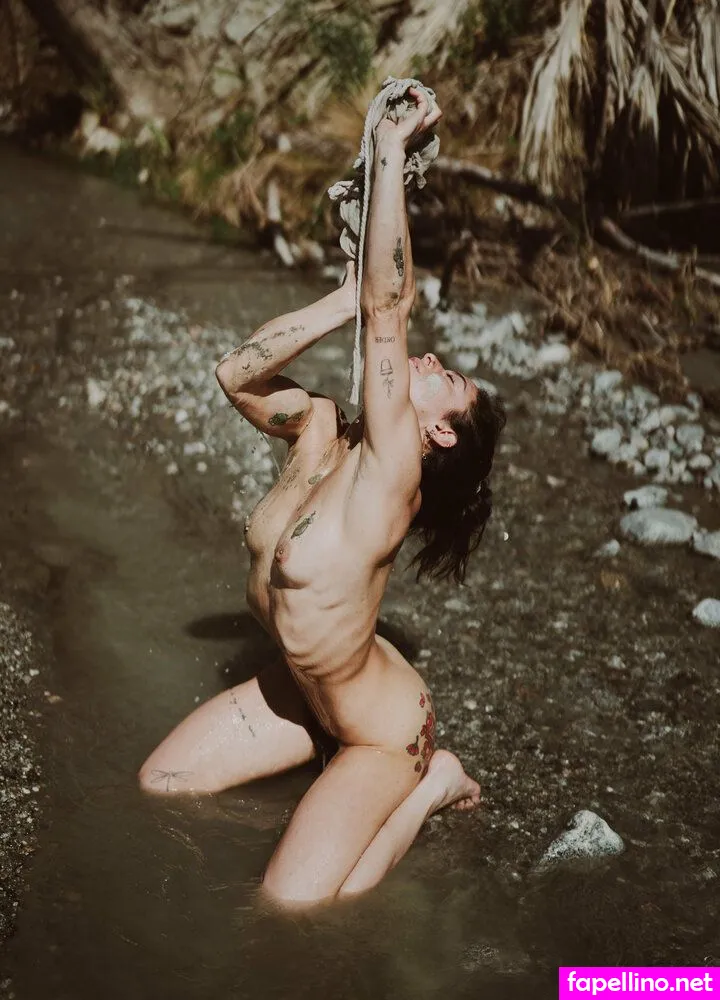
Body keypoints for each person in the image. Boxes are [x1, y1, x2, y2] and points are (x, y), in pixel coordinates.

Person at [139, 89, 506, 906]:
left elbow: (390, 309)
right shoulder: (321, 432)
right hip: (308, 695)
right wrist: (340, 301)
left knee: (294, 908)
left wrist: (390, 151)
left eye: (446, 378)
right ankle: (321, 750)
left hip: (382, 734)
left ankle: (432, 785)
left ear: (439, 435)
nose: (430, 360)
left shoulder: (394, 477)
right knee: (158, 786)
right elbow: (237, 373)